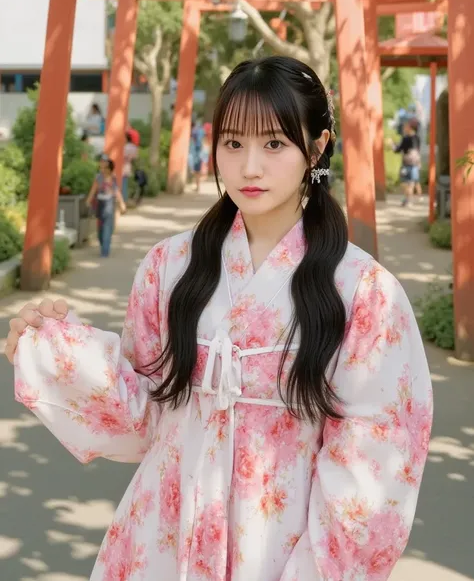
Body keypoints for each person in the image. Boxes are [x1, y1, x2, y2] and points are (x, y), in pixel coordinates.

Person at [6, 56, 432, 581]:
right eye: (233, 144)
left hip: (283, 544)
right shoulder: (170, 267)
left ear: (317, 147)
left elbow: (375, 460)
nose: (249, 167)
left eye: (274, 144)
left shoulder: (364, 293)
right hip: (164, 531)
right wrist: (54, 351)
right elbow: (147, 414)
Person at [85, 154, 126, 257]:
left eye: (105, 167)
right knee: (100, 230)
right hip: (100, 204)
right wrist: (88, 200)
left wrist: (121, 204)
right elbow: (93, 189)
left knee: (107, 227)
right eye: (101, 166)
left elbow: (117, 192)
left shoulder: (113, 178)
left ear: (109, 168)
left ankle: (105, 251)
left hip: (109, 204)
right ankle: (103, 244)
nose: (103, 169)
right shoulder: (98, 177)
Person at [392, 121, 422, 207]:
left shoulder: (406, 138)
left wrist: (392, 145)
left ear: (410, 128)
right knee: (411, 183)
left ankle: (408, 200)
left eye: (406, 126)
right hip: (415, 164)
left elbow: (397, 150)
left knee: (405, 182)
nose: (405, 128)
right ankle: (409, 200)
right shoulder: (417, 138)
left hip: (407, 164)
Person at [122, 133, 138, 202]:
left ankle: (123, 198)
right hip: (129, 165)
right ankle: (125, 198)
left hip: (123, 165)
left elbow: (123, 156)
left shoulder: (124, 147)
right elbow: (135, 157)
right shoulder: (134, 147)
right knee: (125, 182)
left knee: (123, 183)